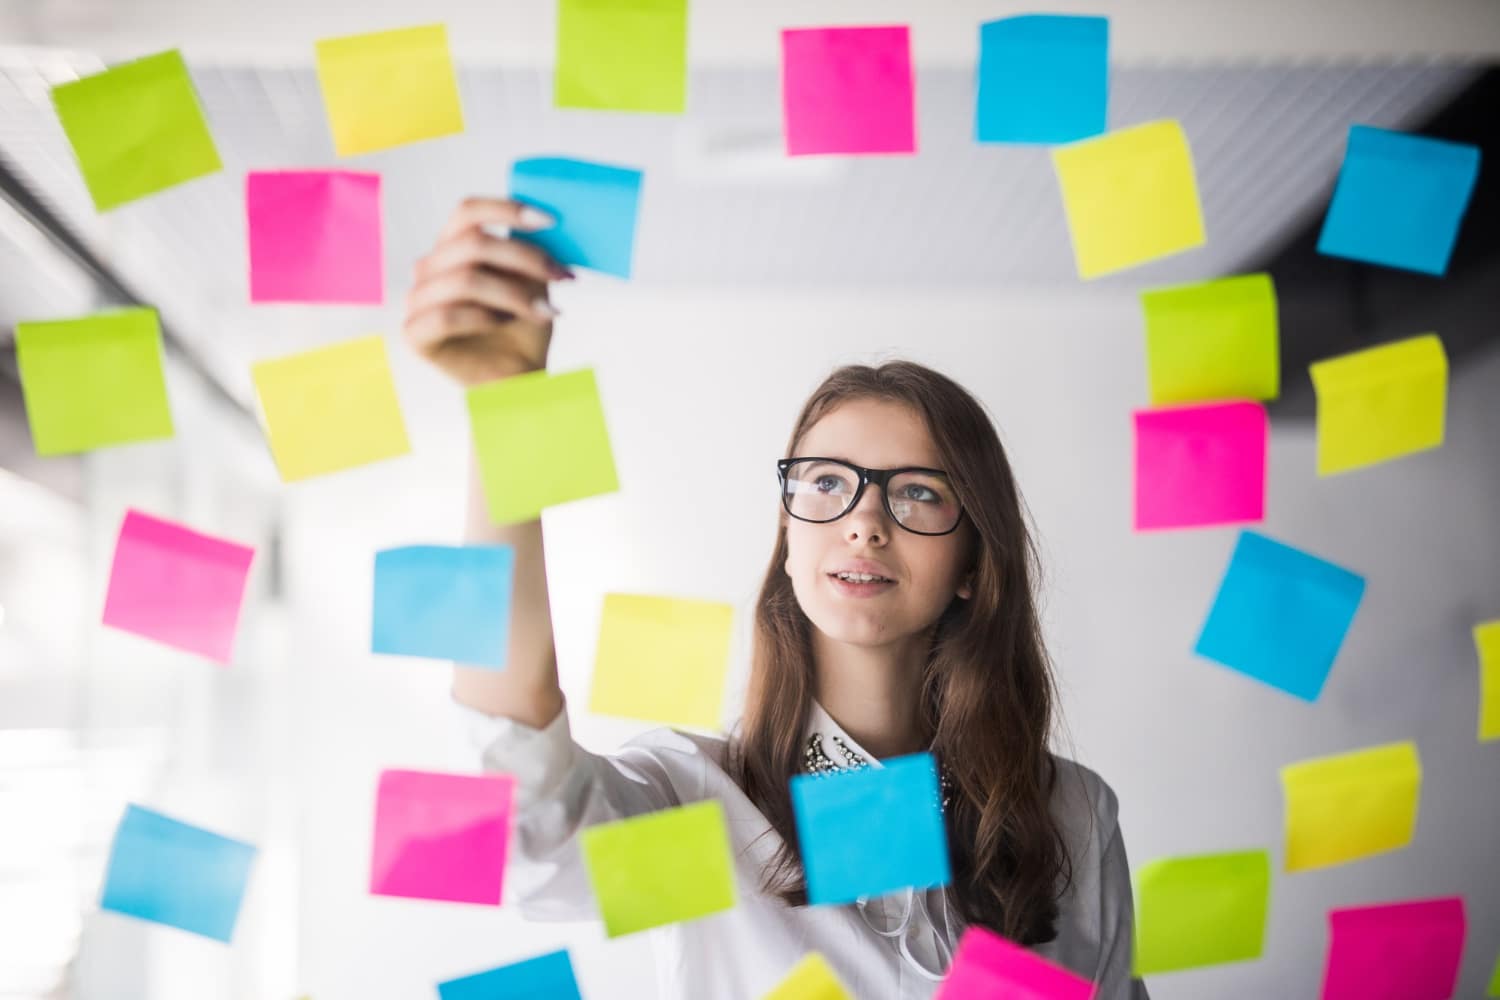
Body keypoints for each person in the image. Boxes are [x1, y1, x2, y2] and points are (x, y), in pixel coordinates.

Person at [401, 197, 1150, 1000]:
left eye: (920, 493)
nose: (864, 522)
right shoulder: (696, 800)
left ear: (975, 559)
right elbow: (524, 829)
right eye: (827, 483)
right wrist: (503, 407)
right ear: (788, 541)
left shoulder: (1073, 813)